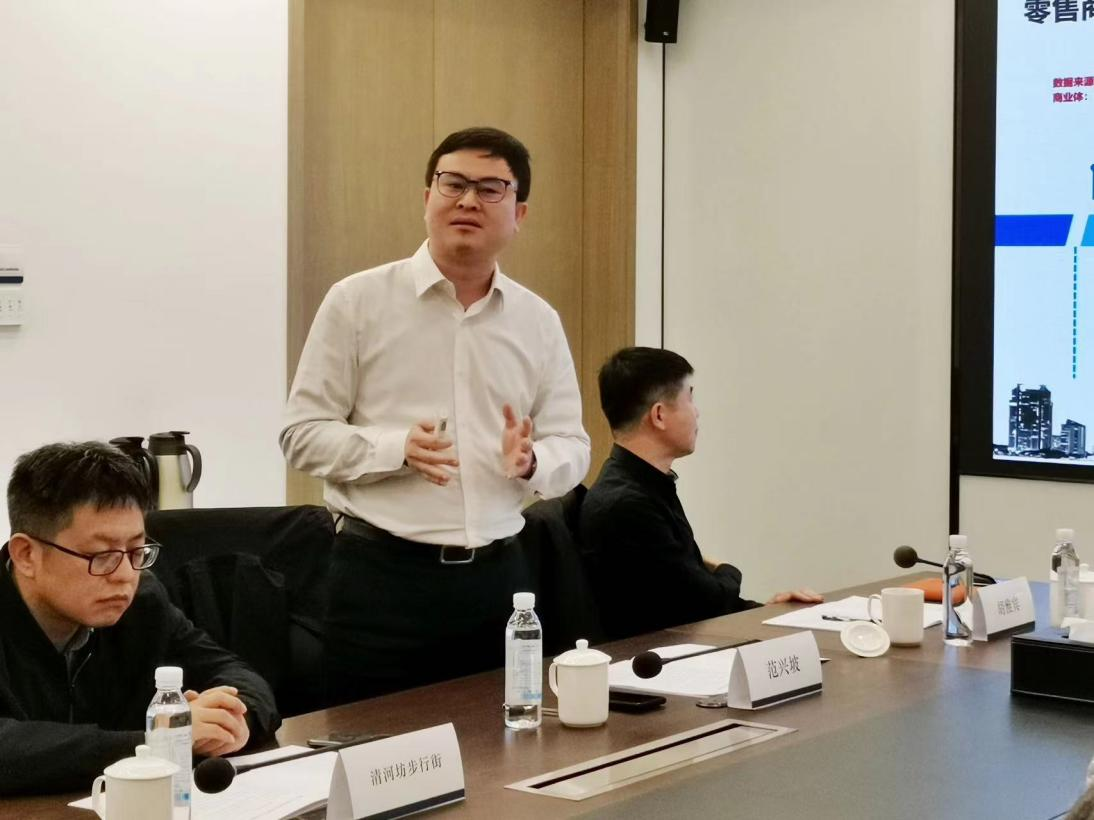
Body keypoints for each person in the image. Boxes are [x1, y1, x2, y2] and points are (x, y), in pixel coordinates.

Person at [280, 126, 590, 702]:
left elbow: (572, 445)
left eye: (491, 189)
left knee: (501, 744)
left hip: (500, 582)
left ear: (519, 213)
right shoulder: (357, 301)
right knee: (371, 745)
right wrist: (395, 449)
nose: (469, 200)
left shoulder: (537, 321)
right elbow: (301, 435)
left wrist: (532, 462)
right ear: (428, 198)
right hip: (380, 580)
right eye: (453, 184)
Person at [0, 442, 280, 795]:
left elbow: (234, 672)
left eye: (136, 550)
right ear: (26, 555)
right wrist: (159, 741)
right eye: (101, 555)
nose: (124, 575)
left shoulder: (143, 601)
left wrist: (233, 718)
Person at [579, 347, 822, 640]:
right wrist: (727, 569)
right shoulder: (626, 505)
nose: (697, 411)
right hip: (660, 655)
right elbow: (705, 602)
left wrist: (770, 614)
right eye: (690, 398)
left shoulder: (645, 484)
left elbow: (696, 594)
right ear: (659, 415)